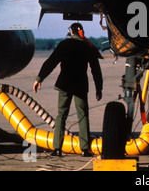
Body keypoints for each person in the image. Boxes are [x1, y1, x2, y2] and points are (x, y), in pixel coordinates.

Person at [33, 23, 103, 157]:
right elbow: (96, 70)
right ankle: (84, 149)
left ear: (71, 32)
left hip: (64, 84)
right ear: (81, 31)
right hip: (80, 86)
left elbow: (51, 62)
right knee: (82, 116)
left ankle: (57, 149)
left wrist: (39, 78)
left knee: (61, 115)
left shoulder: (64, 45)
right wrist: (99, 88)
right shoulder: (87, 47)